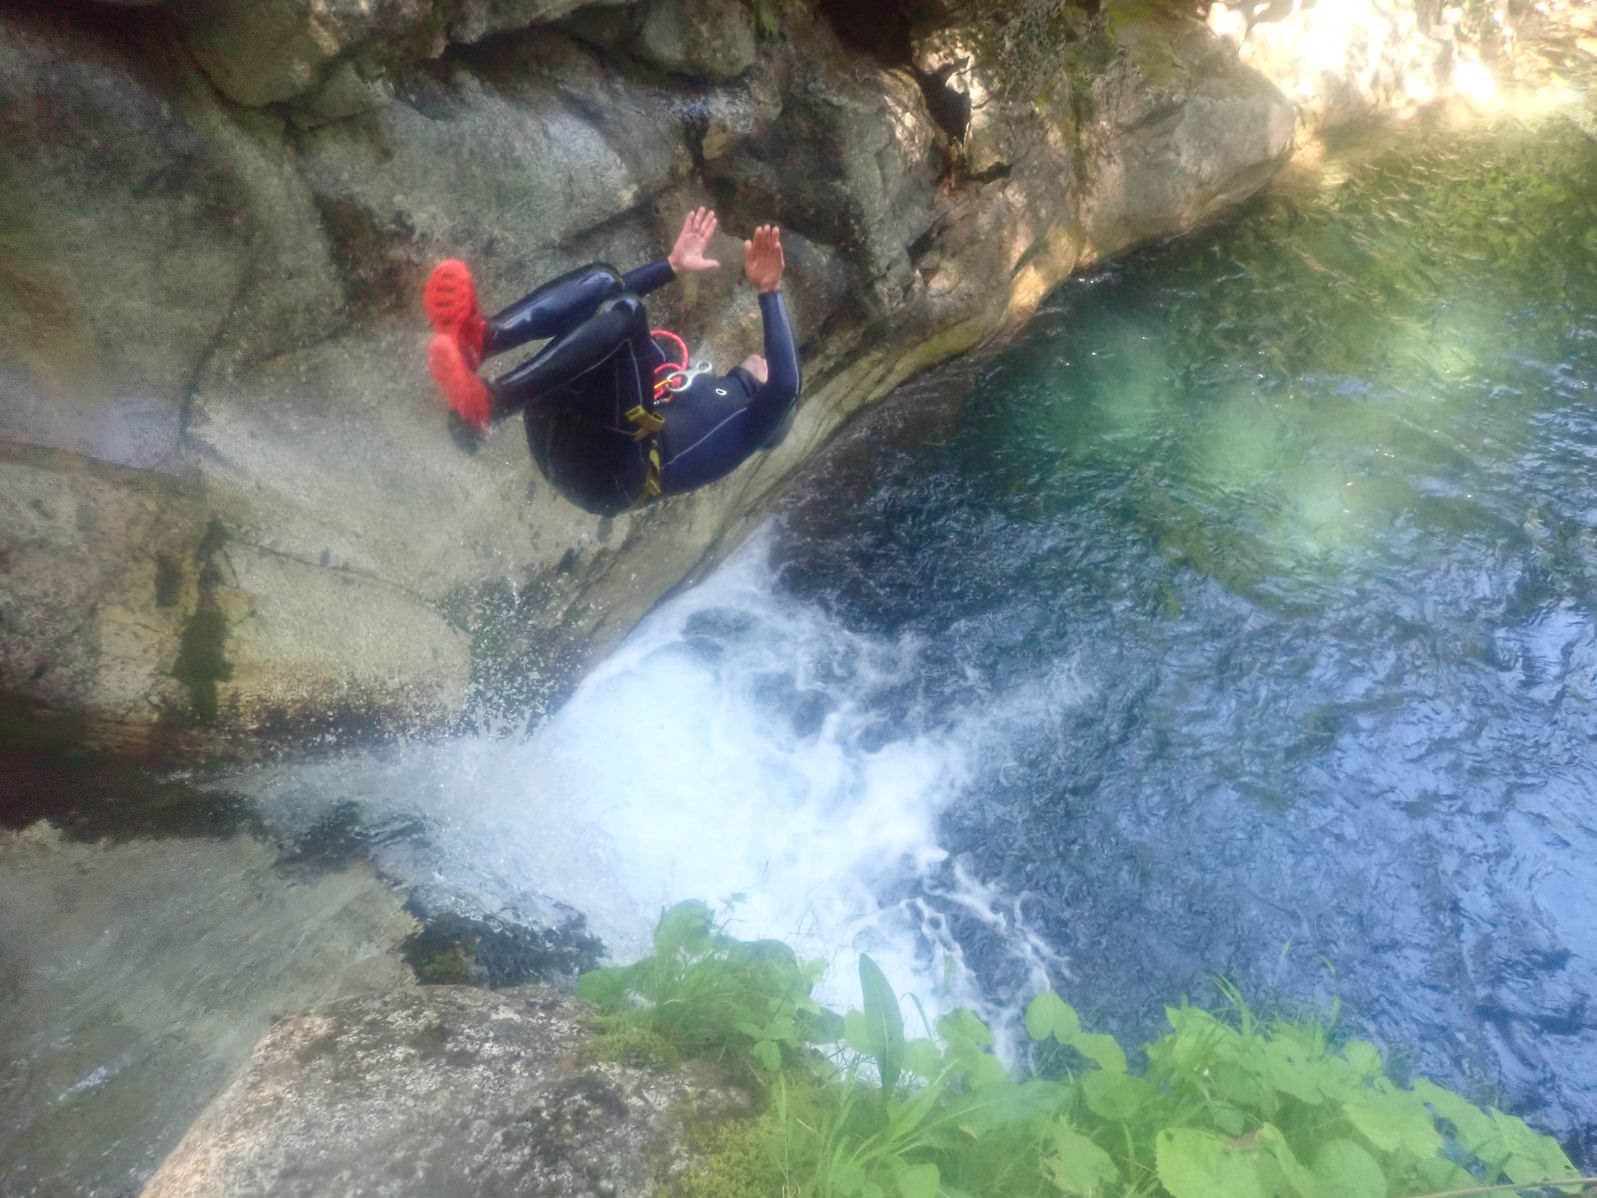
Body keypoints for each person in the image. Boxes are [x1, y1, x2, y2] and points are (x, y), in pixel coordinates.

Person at [421, 209, 801, 517]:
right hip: (580, 436)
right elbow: (609, 319)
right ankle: (481, 339)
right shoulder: (700, 388)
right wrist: (670, 266)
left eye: (771, 366)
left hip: (611, 476)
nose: (769, 360)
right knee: (604, 281)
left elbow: (786, 388)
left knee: (628, 312)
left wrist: (769, 291)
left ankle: (491, 404)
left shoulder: (751, 421)